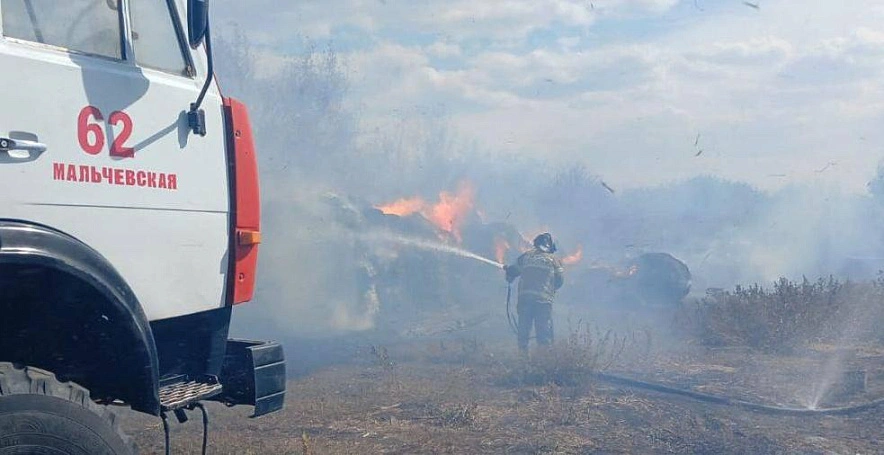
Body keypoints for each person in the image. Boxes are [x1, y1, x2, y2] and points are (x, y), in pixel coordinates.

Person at [504, 233, 564, 352]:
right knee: (543, 332)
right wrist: (551, 289)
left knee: (523, 331)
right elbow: (560, 281)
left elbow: (513, 272)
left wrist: (509, 271)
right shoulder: (553, 260)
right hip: (543, 301)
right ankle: (543, 360)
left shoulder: (526, 257)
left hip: (525, 299)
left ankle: (523, 358)